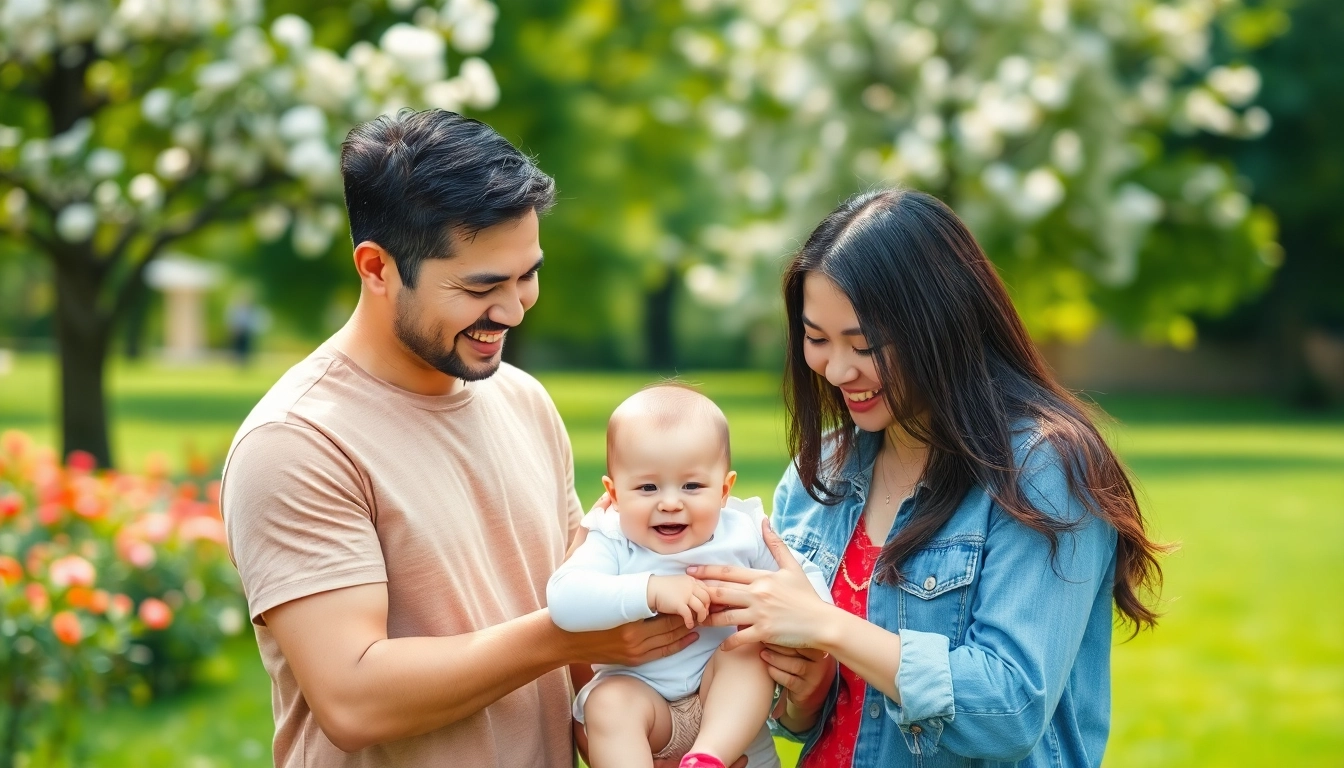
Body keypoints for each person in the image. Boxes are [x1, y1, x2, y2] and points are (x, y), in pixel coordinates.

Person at [220, 109, 703, 768]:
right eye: (481, 287)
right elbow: (354, 698)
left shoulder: (524, 401)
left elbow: (591, 669)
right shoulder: (298, 443)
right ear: (377, 268)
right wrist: (562, 636)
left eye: (526, 275)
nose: (512, 310)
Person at [688, 188, 1169, 767]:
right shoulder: (828, 471)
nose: (837, 370)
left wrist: (829, 627)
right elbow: (810, 718)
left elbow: (1009, 709)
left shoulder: (1042, 470)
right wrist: (805, 694)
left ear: (940, 327)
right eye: (817, 339)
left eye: (863, 346)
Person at [548, 385, 831, 768]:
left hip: (728, 710)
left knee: (748, 651)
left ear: (724, 490)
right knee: (608, 702)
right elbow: (564, 598)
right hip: (645, 708)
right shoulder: (611, 538)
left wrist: (812, 624)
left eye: (692, 485)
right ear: (613, 494)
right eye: (647, 487)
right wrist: (649, 590)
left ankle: (707, 759)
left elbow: (802, 581)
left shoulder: (743, 531)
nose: (669, 502)